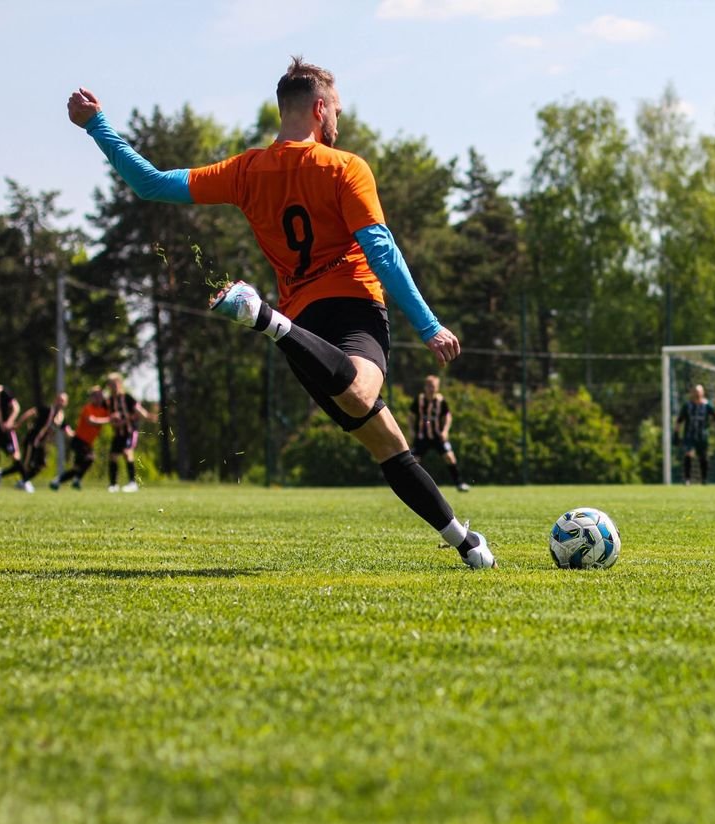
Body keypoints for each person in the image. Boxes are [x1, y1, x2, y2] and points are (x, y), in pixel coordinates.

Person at [67, 58, 494, 568]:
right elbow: (381, 250)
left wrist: (97, 125)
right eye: (335, 109)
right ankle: (266, 319)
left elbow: (152, 183)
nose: (338, 119)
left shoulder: (248, 170)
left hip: (303, 330)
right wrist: (428, 325)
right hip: (351, 306)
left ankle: (465, 544)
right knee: (361, 393)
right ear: (319, 109)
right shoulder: (344, 167)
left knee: (386, 441)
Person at [0, 392, 68, 493]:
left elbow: (65, 428)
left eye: (63, 401)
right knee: (26, 464)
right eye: (59, 400)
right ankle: (23, 481)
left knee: (41, 465)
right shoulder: (47, 410)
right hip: (32, 440)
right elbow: (31, 412)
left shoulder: (60, 416)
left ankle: (13, 477)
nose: (61, 403)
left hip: (41, 444)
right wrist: (18, 424)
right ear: (55, 400)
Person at [411, 375, 469, 492]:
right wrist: (412, 430)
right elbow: (410, 416)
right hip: (422, 437)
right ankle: (411, 486)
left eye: (433, 386)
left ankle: (459, 483)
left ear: (437, 388)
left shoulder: (441, 401)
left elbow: (448, 416)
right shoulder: (419, 399)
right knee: (413, 461)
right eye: (428, 386)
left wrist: (445, 431)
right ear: (425, 387)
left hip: (438, 436)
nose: (431, 389)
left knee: (450, 457)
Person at [675, 384, 715, 485]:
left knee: (703, 457)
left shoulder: (707, 405)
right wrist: (676, 433)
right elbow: (679, 420)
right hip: (689, 435)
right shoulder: (687, 406)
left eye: (699, 392)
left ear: (703, 393)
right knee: (688, 454)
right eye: (695, 392)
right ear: (692, 393)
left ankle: (704, 480)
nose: (697, 394)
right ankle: (687, 479)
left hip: (702, 435)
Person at [52, 388, 110, 491]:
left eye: (100, 396)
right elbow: (91, 421)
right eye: (96, 396)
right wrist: (109, 419)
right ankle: (75, 479)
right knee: (89, 459)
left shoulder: (104, 410)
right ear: (92, 398)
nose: (99, 398)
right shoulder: (87, 408)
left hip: (88, 442)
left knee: (78, 467)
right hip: (79, 440)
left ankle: (58, 481)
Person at [104, 373, 154, 492]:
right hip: (118, 433)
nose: (113, 387)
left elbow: (138, 410)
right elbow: (109, 417)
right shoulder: (110, 401)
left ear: (120, 384)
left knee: (127, 453)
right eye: (111, 385)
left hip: (129, 432)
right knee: (113, 457)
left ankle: (132, 483)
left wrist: (147, 415)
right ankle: (113, 484)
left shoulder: (127, 397)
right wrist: (114, 421)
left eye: (115, 384)